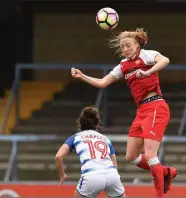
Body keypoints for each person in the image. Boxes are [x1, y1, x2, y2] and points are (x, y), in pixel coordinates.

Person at [71, 28, 177, 197]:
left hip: (156, 106)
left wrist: (148, 72)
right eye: (122, 47)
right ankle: (166, 172)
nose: (125, 49)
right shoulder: (123, 65)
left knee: (150, 154)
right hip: (142, 110)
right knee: (132, 156)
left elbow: (165, 60)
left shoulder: (147, 55)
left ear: (137, 45)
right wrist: (82, 76)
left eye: (128, 45)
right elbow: (102, 83)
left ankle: (160, 194)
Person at [55, 106, 126, 197]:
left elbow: (58, 156)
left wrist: (62, 174)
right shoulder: (105, 139)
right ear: (97, 124)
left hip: (91, 176)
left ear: (80, 124)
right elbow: (114, 163)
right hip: (112, 175)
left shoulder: (75, 137)